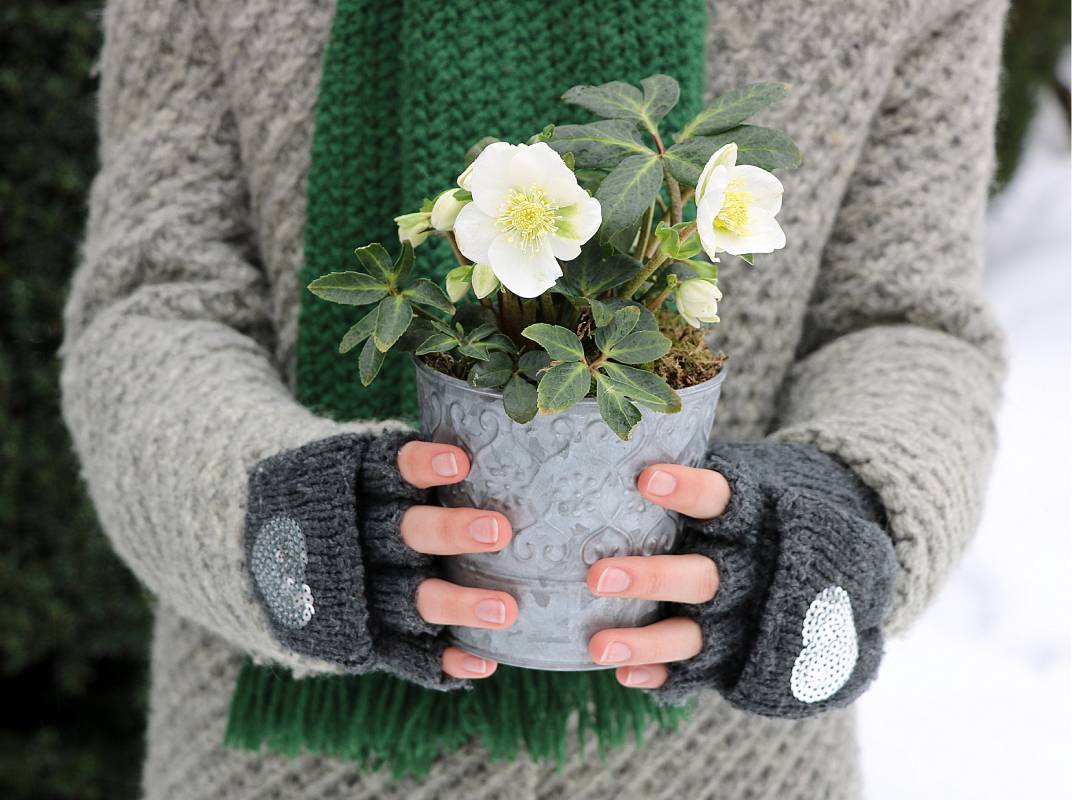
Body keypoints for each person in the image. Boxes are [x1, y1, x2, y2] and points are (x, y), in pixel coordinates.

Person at [60, 0, 1009, 797]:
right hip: (273, 761)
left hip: (727, 762)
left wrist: (840, 508)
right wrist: (280, 521)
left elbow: (901, 318)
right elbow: (158, 301)